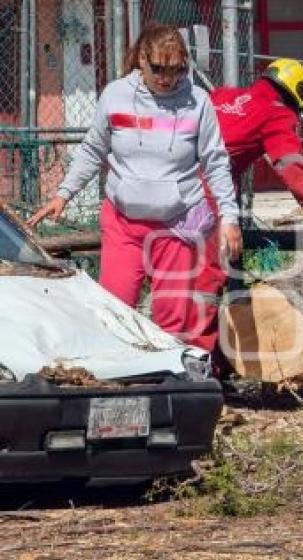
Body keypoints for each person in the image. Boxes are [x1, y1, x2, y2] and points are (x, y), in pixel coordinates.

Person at [28, 23, 242, 341]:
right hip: (123, 224)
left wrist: (229, 217)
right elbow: (93, 149)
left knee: (172, 316)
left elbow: (216, 162)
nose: (167, 78)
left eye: (176, 69)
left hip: (176, 224)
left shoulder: (198, 102)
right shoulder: (115, 95)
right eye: (158, 69)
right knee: (115, 310)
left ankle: (167, 369)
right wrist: (64, 193)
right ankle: (116, 368)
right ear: (142, 59)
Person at [184, 58, 303, 355]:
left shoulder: (224, 95)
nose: (296, 119)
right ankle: (200, 358)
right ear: (295, 94)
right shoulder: (277, 113)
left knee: (179, 266)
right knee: (209, 274)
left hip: (170, 177)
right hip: (207, 187)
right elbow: (289, 163)